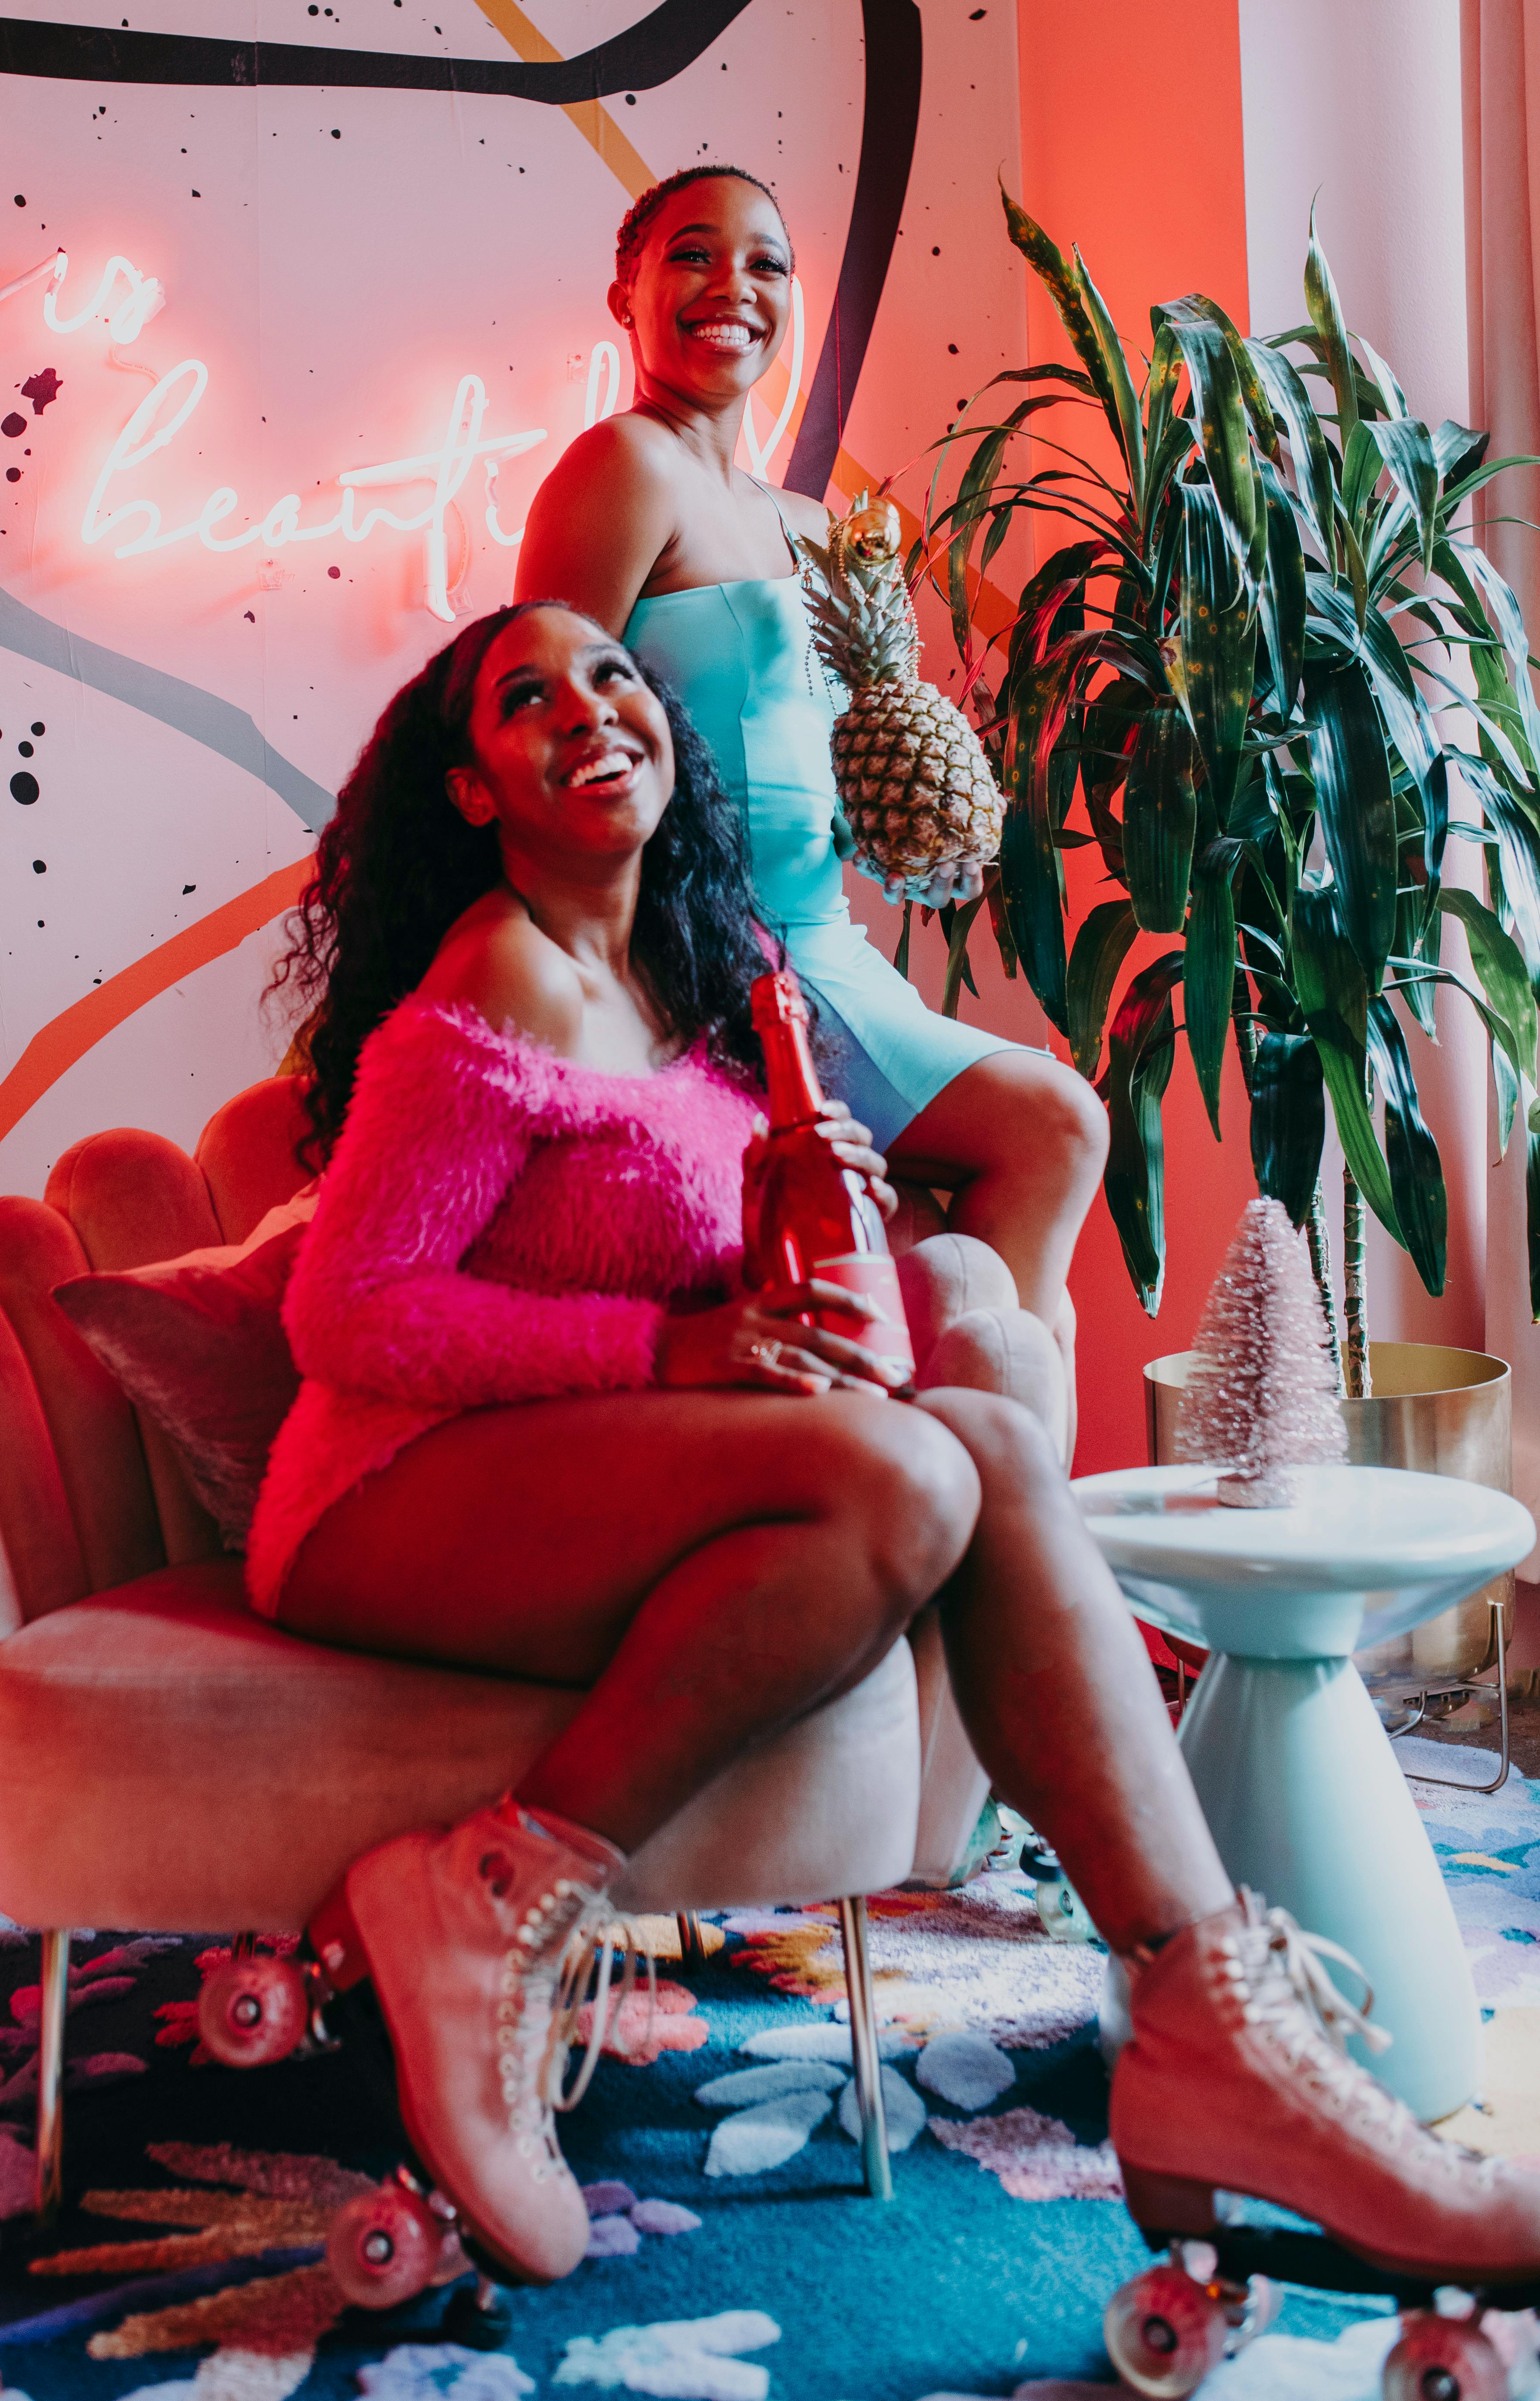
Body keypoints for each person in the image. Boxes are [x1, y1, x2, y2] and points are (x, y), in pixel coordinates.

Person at [247, 599, 1538, 2295]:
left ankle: (1205, 2009)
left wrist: (804, 1245)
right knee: (920, 1469)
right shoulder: (495, 978)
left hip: (574, 1485)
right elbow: (350, 1314)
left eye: (616, 673)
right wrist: (683, 1347)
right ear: (474, 788)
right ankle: (487, 1903)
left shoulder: (695, 985)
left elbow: (697, 1259)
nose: (590, 707)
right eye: (526, 697)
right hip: (390, 1495)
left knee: (981, 1443)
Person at [513, 165, 1106, 1418]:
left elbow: (797, 746)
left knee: (974, 1198)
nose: (733, 284)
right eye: (692, 253)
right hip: (726, 960)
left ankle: (948, 1467)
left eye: (768, 262)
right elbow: (539, 718)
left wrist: (906, 798)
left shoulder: (800, 517)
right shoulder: (623, 466)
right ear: (625, 289)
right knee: (1053, 1125)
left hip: (832, 946)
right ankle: (993, 1478)